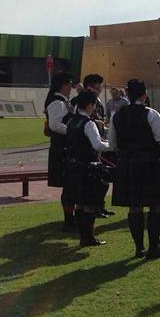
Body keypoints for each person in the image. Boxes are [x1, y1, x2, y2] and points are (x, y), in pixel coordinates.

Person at [108, 79, 160, 259]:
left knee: (134, 207)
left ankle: (139, 248)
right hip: (149, 163)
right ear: (144, 95)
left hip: (127, 165)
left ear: (127, 94)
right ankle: (154, 248)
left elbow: (112, 143)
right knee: (155, 206)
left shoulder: (117, 116)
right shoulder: (151, 113)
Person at [65, 91, 112, 247]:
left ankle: (83, 236)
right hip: (88, 167)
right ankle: (88, 237)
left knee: (79, 203)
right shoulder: (88, 123)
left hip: (73, 166)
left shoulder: (72, 121)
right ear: (90, 105)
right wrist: (112, 145)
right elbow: (97, 145)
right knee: (89, 204)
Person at [74, 74, 113, 217]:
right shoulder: (82, 105)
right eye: (97, 87)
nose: (99, 90)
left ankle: (99, 206)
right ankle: (91, 213)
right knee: (90, 189)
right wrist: (112, 145)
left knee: (101, 182)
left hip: (95, 143)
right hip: (89, 150)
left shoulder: (97, 103)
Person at [45, 72, 75, 230]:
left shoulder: (61, 101)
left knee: (70, 185)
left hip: (64, 147)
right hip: (62, 148)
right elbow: (55, 125)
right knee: (69, 186)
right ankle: (69, 220)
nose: (71, 87)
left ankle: (71, 218)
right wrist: (75, 130)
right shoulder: (57, 102)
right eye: (69, 83)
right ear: (63, 85)